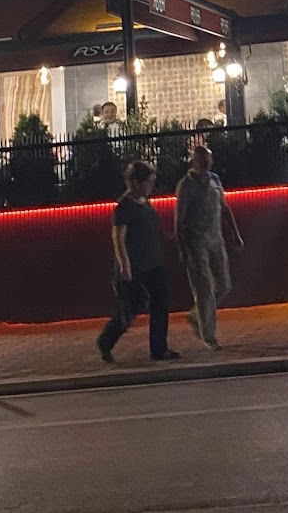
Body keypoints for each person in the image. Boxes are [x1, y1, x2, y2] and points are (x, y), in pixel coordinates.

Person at [96, 159, 179, 365]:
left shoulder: (145, 203)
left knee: (160, 303)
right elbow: (118, 237)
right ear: (135, 182)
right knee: (132, 307)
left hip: (154, 262)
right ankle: (106, 341)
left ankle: (159, 349)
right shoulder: (124, 207)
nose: (151, 186)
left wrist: (169, 237)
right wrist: (125, 265)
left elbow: (153, 228)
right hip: (135, 265)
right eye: (148, 181)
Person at [175, 141, 243, 350]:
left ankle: (197, 315)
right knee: (204, 289)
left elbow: (224, 208)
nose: (207, 163)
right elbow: (180, 220)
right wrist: (183, 248)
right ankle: (209, 336)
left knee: (224, 285)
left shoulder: (215, 180)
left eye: (209, 159)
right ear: (194, 161)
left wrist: (235, 234)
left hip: (216, 239)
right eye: (203, 159)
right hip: (196, 242)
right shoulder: (186, 185)